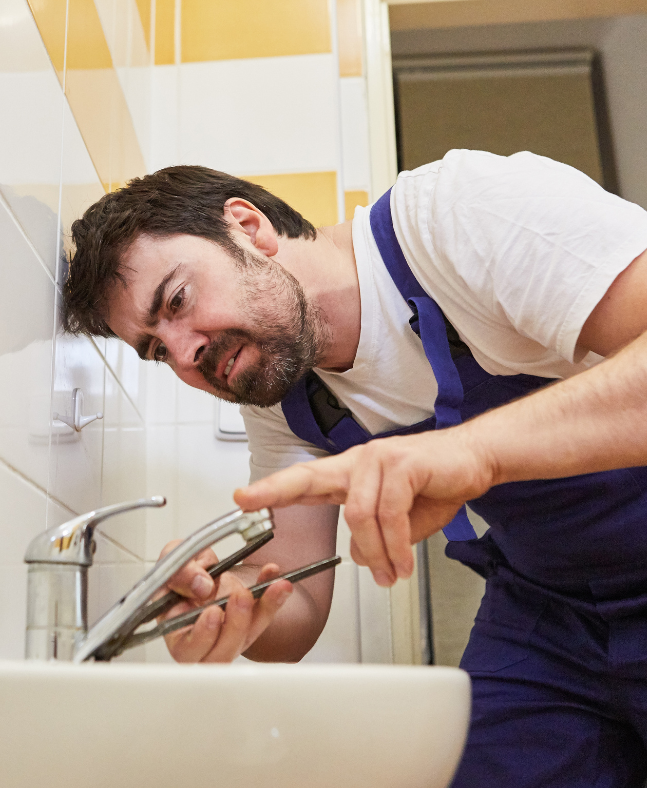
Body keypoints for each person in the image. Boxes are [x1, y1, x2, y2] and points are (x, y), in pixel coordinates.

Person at [62, 149, 647, 786]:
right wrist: (239, 609)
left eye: (176, 301)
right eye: (156, 351)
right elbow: (298, 608)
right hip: (550, 610)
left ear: (247, 227)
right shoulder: (281, 393)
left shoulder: (457, 216)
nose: (185, 356)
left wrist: (474, 450)